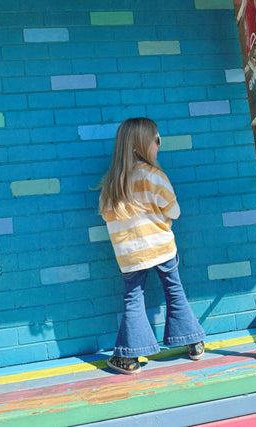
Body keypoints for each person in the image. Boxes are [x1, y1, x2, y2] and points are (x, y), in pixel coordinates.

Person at [99, 117, 205, 375]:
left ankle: (129, 359)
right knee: (174, 291)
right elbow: (175, 211)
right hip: (161, 247)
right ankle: (193, 342)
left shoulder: (111, 184)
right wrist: (162, 216)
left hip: (130, 255)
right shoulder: (154, 176)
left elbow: (105, 214)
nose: (160, 144)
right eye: (157, 139)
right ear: (145, 145)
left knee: (133, 299)